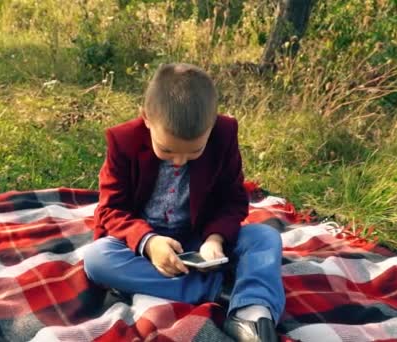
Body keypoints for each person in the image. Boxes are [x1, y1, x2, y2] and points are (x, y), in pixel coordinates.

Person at [83, 63, 285, 342]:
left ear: (211, 126)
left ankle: (252, 312)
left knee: (265, 237)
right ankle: (218, 291)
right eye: (166, 150)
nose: (178, 160)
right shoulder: (123, 141)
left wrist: (214, 239)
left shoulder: (224, 135)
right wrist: (149, 243)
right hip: (144, 245)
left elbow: (233, 200)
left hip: (200, 240)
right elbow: (111, 209)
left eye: (195, 151)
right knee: (96, 259)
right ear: (146, 119)